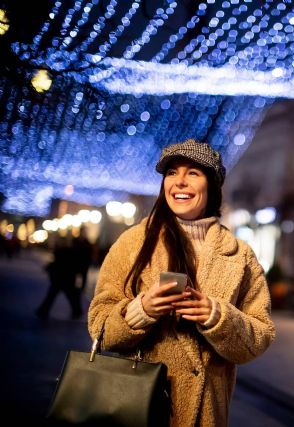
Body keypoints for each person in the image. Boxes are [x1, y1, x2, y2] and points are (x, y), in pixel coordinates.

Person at [87, 139, 276, 427]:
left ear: (211, 185)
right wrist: (141, 310)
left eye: (193, 173)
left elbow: (259, 337)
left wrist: (217, 316)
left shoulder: (240, 256)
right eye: (172, 173)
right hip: (139, 405)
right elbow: (100, 326)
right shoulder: (134, 242)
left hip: (206, 414)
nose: (180, 182)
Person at [36, 235, 84, 320]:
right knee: (70, 295)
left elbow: (56, 262)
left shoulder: (64, 251)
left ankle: (43, 310)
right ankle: (77, 311)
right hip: (66, 278)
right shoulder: (71, 251)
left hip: (62, 278)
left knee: (55, 295)